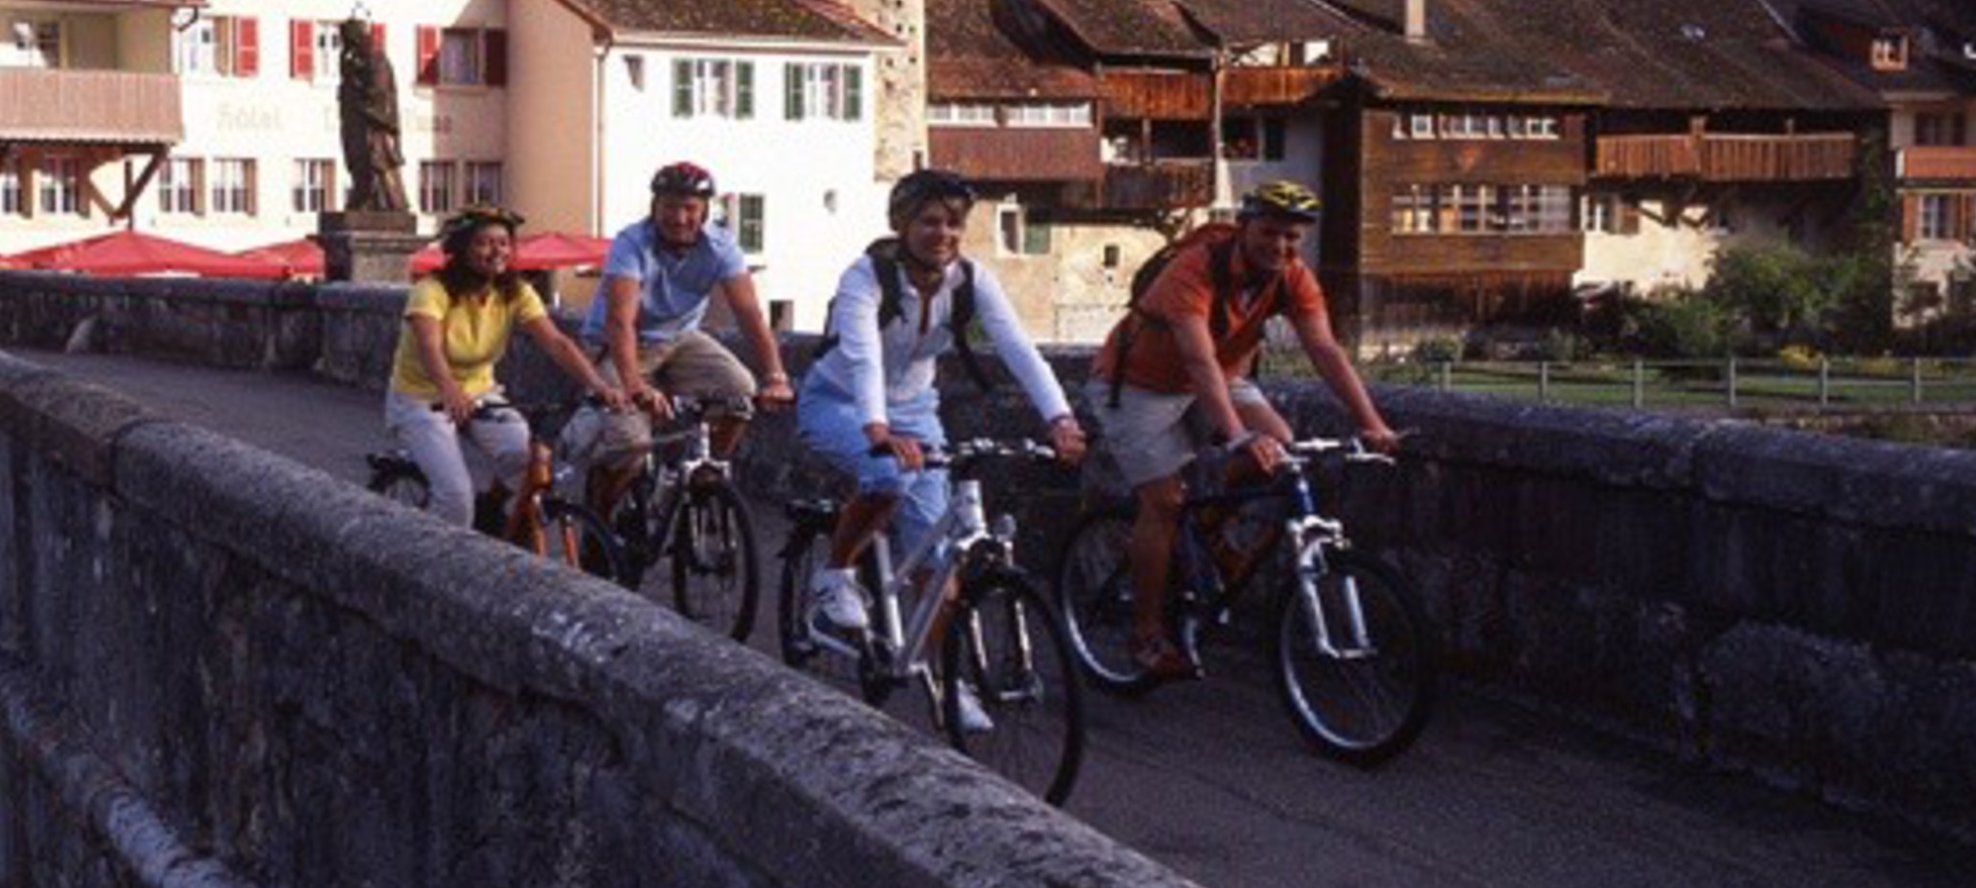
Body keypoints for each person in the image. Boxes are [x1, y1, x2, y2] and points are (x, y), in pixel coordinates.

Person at [797, 170, 1088, 732]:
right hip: (841, 402)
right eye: (930, 220)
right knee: (884, 477)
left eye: (954, 222)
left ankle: (947, 683)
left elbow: (1018, 349)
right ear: (902, 224)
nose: (944, 233)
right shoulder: (867, 276)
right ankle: (834, 575)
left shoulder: (971, 280)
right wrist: (877, 430)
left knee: (941, 560)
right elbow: (862, 357)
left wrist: (1060, 418)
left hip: (915, 410)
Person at [1087, 181, 1400, 681]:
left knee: (1283, 453)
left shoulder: (1294, 278)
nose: (1280, 246)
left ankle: (1209, 531)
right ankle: (1146, 635)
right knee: (1163, 502)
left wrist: (1371, 422)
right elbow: (1197, 357)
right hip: (1139, 386)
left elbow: (1324, 350)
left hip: (1220, 380)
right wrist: (1236, 435)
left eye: (1292, 238)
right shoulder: (1193, 268)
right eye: (1269, 232)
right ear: (1244, 228)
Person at [388, 205, 627, 535]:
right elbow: (430, 347)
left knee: (528, 461)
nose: (496, 251)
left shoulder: (515, 292)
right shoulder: (432, 290)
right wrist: (449, 389)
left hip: (481, 394)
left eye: (503, 243)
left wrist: (598, 385)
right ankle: (432, 569)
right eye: (484, 243)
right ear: (461, 249)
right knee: (455, 499)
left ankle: (492, 507)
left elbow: (556, 342)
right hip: (422, 398)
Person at [573, 162, 796, 513]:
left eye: (689, 208)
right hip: (619, 346)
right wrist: (634, 386)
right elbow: (620, 321)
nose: (679, 218)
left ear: (705, 210)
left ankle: (708, 473)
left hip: (679, 339)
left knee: (740, 390)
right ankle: (599, 522)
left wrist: (776, 376)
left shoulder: (721, 246)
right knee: (630, 444)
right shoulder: (632, 243)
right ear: (654, 207)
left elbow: (750, 314)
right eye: (669, 207)